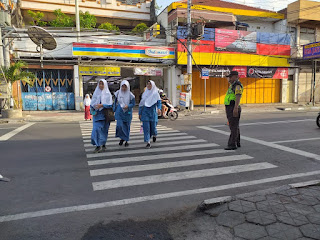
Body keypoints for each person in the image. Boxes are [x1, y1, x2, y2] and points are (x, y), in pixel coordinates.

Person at [90, 79, 113, 153]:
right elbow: (92, 104)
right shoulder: (95, 93)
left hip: (105, 115)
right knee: (96, 130)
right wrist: (92, 111)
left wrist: (102, 105)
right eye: (99, 84)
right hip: (97, 115)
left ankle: (103, 144)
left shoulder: (108, 94)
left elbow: (110, 105)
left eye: (102, 84)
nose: (101, 86)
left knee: (104, 131)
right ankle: (98, 145)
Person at [139, 80, 162, 148]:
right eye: (148, 84)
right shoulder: (145, 94)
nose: (149, 86)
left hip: (153, 112)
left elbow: (159, 102)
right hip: (145, 112)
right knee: (146, 128)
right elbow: (141, 104)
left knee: (153, 128)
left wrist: (159, 108)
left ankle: (154, 134)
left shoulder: (155, 94)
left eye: (150, 84)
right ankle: (148, 141)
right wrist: (140, 113)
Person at [224, 71, 243, 150]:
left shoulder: (237, 85)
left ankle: (232, 144)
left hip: (233, 107)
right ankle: (237, 142)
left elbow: (238, 96)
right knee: (235, 126)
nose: (229, 79)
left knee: (233, 127)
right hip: (230, 107)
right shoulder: (233, 85)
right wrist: (226, 76)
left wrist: (235, 108)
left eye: (230, 77)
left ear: (235, 77)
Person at [114, 80, 135, 147]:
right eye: (122, 86)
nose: (124, 88)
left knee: (127, 126)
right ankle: (122, 137)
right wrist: (113, 110)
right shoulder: (117, 93)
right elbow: (114, 102)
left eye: (125, 87)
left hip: (127, 113)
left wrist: (128, 106)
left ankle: (126, 140)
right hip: (119, 112)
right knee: (119, 126)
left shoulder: (131, 95)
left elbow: (133, 104)